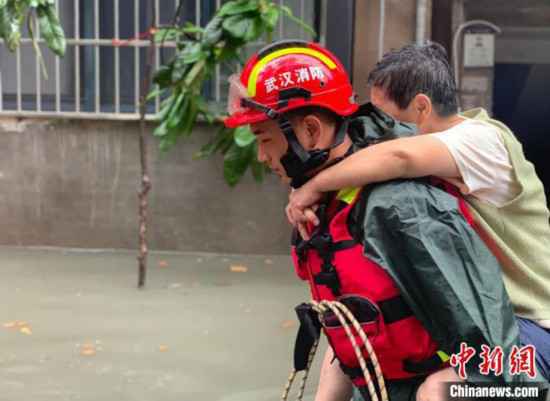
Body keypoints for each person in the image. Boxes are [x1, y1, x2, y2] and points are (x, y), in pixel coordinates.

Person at [224, 39, 541, 401]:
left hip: (530, 332)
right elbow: (356, 320)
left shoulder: (465, 156)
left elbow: (401, 156)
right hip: (416, 363)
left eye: (383, 116)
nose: (371, 125)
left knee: (437, 392)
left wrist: (312, 186)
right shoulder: (341, 199)